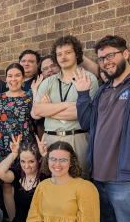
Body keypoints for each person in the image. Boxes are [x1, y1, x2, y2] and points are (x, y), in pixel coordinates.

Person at [73, 35, 130, 222]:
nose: (106, 61)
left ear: (125, 53)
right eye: (102, 58)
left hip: (125, 175)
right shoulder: (104, 90)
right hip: (101, 174)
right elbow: (85, 122)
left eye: (111, 55)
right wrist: (83, 93)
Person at [32, 35, 99, 180]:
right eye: (59, 54)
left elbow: (82, 112)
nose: (63, 57)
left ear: (76, 53)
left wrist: (49, 109)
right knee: (53, 183)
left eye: (68, 52)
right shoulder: (47, 82)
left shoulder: (88, 79)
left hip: (78, 138)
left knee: (80, 182)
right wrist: (68, 106)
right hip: (51, 140)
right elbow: (37, 110)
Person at [0, 63, 39, 221]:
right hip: (2, 145)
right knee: (6, 185)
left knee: (27, 183)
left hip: (24, 145)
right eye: (10, 76)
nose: (14, 79)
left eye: (17, 75)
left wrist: (36, 90)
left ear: (23, 78)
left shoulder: (29, 96)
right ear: (5, 79)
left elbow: (37, 115)